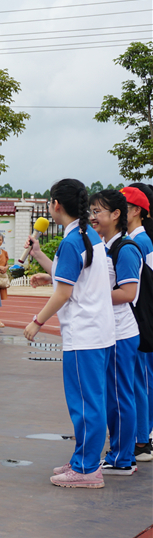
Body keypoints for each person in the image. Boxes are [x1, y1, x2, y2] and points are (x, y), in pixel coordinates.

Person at [24, 179, 113, 488]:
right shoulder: (85, 236)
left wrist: (37, 321)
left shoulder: (75, 240)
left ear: (56, 206)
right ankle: (82, 459)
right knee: (90, 402)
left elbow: (63, 293)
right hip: (96, 333)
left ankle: (88, 469)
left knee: (86, 404)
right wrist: (39, 257)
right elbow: (69, 279)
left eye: (50, 202)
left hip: (84, 335)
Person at [89, 190, 141, 476]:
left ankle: (123, 459)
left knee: (121, 397)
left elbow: (129, 292)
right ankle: (118, 453)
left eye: (98, 211)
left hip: (122, 333)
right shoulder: (105, 246)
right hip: (110, 332)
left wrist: (91, 294)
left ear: (116, 214)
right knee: (113, 396)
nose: (93, 216)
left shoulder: (126, 249)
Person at [122, 185, 153, 463]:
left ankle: (142, 441)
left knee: (140, 382)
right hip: (140, 320)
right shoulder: (137, 240)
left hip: (140, 321)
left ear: (135, 211)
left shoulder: (141, 243)